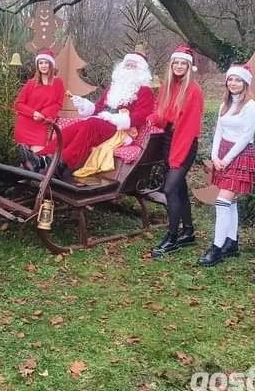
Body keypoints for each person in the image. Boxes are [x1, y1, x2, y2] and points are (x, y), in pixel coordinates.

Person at [22, 52, 155, 175]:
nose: (129, 68)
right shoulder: (113, 87)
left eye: (134, 66)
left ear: (141, 72)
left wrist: (117, 118)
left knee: (91, 124)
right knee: (71, 130)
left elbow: (143, 115)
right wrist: (83, 104)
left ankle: (62, 163)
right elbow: (98, 108)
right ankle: (40, 158)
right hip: (101, 122)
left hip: (122, 130)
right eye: (127, 64)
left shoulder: (145, 91)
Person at [198, 64, 255, 267]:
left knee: (222, 201)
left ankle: (216, 249)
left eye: (238, 80)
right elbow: (219, 130)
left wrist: (227, 159)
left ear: (245, 83)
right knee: (230, 201)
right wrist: (215, 156)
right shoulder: (225, 104)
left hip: (240, 155)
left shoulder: (251, 106)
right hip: (222, 154)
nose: (233, 83)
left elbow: (246, 137)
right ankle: (231, 242)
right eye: (231, 79)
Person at [149, 45, 205, 258]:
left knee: (170, 189)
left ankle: (172, 238)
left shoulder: (193, 91)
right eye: (176, 63)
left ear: (189, 67)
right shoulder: (168, 86)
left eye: (184, 63)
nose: (179, 66)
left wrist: (177, 157)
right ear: (171, 65)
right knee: (179, 188)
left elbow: (188, 128)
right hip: (169, 139)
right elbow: (162, 115)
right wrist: (151, 118)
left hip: (185, 142)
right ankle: (188, 231)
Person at [14, 49, 65, 156]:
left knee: (37, 158)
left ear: (51, 64)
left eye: (46, 62)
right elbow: (18, 104)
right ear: (37, 66)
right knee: (23, 160)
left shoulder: (58, 83)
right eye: (40, 63)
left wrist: (44, 114)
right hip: (24, 125)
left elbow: (58, 104)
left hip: (41, 125)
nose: (43, 65)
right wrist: (33, 113)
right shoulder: (31, 83)